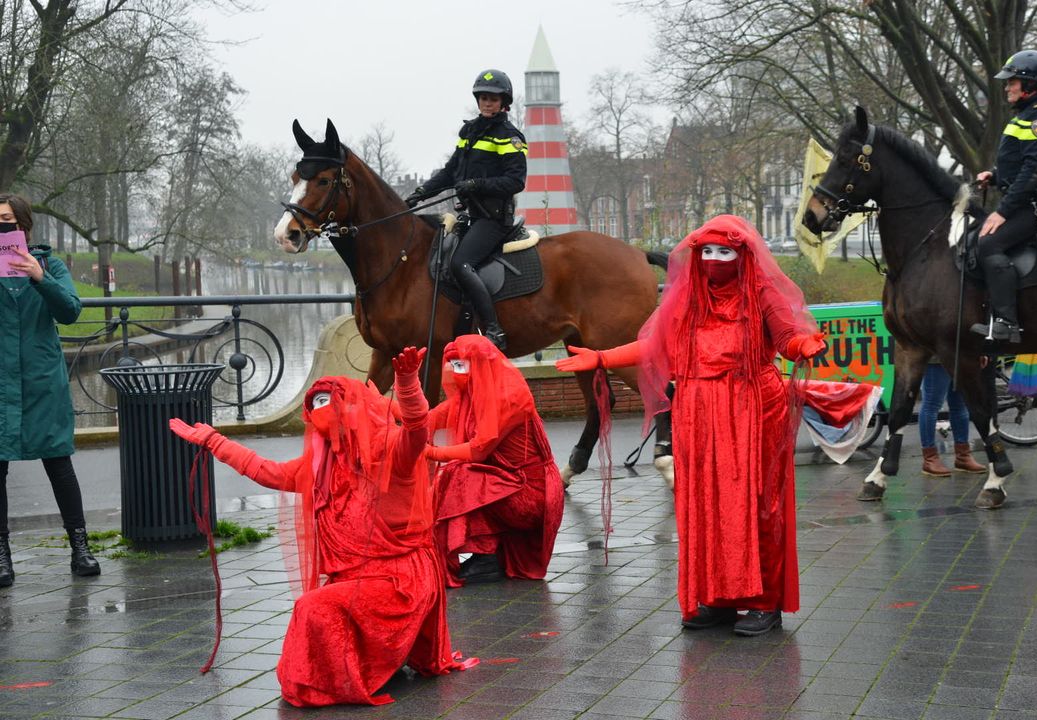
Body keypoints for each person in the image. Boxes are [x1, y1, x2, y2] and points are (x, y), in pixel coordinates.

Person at [555, 215, 825, 637]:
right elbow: (656, 344)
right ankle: (717, 598)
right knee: (706, 506)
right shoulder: (689, 298)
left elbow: (787, 335)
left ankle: (763, 601)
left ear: (743, 254)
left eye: (725, 252)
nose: (714, 259)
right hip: (699, 412)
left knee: (755, 505)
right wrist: (602, 357)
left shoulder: (761, 293)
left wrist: (803, 344)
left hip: (751, 408)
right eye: (707, 252)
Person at [169, 347, 465, 706]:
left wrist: (407, 384)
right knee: (321, 603)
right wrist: (215, 441)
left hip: (399, 580)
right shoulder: (320, 466)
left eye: (327, 400)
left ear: (350, 406)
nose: (320, 410)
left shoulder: (388, 450)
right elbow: (267, 471)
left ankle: (329, 684)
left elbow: (417, 431)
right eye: (315, 404)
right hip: (353, 578)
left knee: (313, 606)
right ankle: (355, 667)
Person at [0, 192, 99, 587]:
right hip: (2, 383)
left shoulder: (50, 265)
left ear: (23, 225)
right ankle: (2, 555)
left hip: (42, 381)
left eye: (7, 219)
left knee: (58, 462)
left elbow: (70, 311)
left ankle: (80, 547)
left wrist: (39, 277)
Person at [404, 69, 528, 352]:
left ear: (503, 102)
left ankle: (493, 329)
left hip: (494, 219)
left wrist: (476, 184)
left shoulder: (509, 137)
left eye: (493, 98)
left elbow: (516, 181)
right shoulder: (469, 132)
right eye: (483, 98)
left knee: (460, 262)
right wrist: (422, 193)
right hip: (472, 216)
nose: (487, 102)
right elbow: (451, 172)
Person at [426, 335, 564, 586]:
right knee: (461, 473)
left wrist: (433, 453)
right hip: (507, 482)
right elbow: (428, 420)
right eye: (453, 365)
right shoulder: (472, 394)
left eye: (460, 365)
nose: (455, 372)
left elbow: (478, 450)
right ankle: (486, 554)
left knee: (459, 475)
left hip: (529, 492)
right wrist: (395, 392)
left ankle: (486, 556)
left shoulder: (509, 397)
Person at [971, 50, 1037, 343]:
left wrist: (1002, 211)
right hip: (1028, 201)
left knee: (988, 244)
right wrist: (995, 176)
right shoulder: (1029, 113)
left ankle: (1006, 323)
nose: (1006, 87)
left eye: (1012, 82)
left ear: (1030, 84)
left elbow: (1035, 171)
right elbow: (1021, 164)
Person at [918, 360, 985, 477]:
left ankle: (963, 456)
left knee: (960, 405)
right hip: (938, 357)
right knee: (932, 404)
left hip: (960, 356)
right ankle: (930, 458)